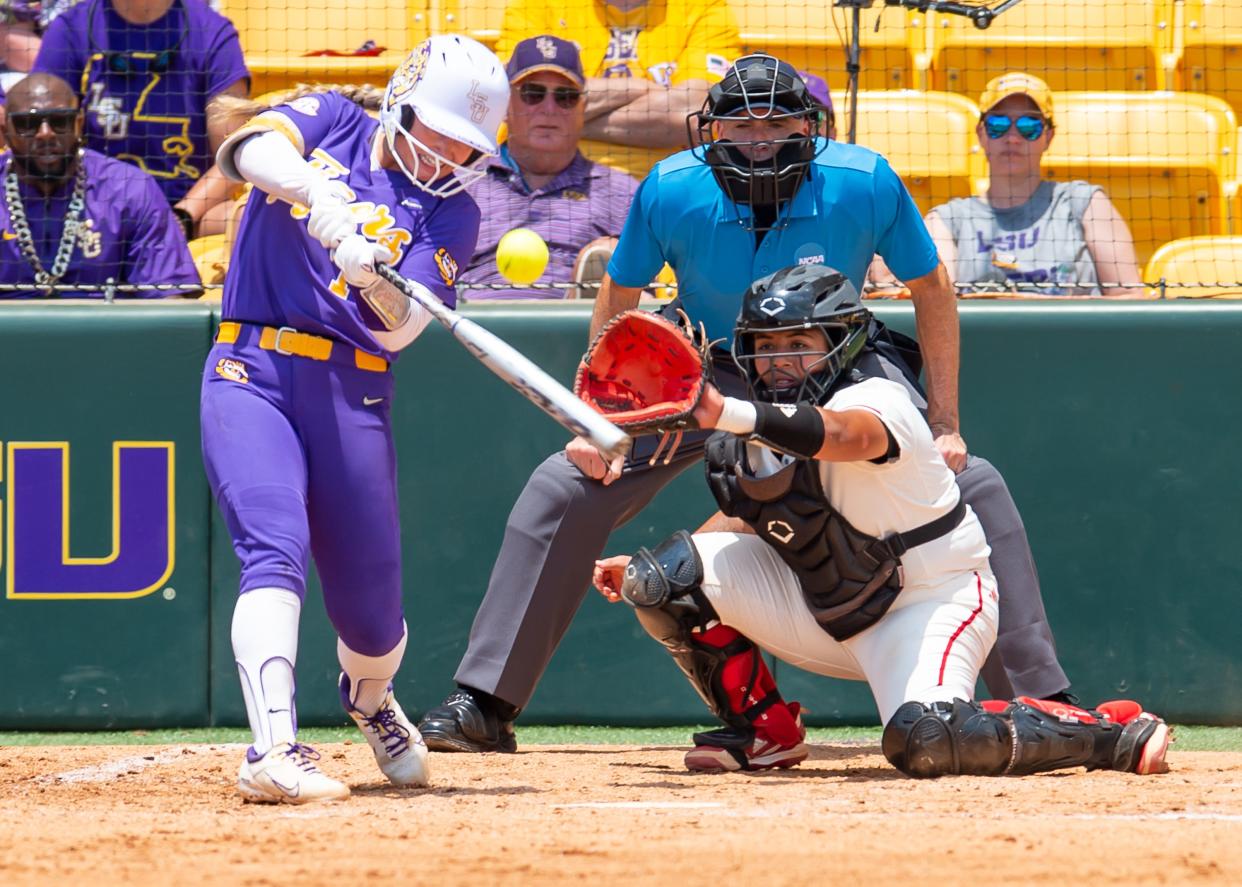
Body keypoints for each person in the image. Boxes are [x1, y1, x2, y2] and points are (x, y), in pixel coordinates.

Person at [417, 55, 1075, 754]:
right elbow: (620, 292)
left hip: (834, 362)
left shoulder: (863, 179)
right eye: (739, 122)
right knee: (565, 482)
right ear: (712, 128)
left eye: (777, 120)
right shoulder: (671, 186)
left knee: (974, 484)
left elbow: (931, 286)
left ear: (809, 126)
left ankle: (1046, 705)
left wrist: (944, 421)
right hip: (705, 367)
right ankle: (485, 702)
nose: (758, 136)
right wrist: (598, 421)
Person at [592, 263, 1169, 777]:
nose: (781, 360)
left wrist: (725, 410)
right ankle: (765, 734)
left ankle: (1104, 732)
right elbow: (758, 513)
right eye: (767, 345)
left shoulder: (878, 397)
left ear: (842, 343)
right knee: (662, 576)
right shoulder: (751, 427)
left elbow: (844, 437)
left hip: (928, 604)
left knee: (930, 740)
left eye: (800, 341)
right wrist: (654, 574)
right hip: (826, 605)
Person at [201, 35, 509, 804]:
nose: (446, 155)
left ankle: (370, 699)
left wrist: (372, 276)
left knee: (373, 618)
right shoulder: (336, 119)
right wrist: (321, 200)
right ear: (402, 107)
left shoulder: (455, 215)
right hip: (253, 366)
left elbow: (403, 329)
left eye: (464, 144)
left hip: (354, 387)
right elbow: (247, 149)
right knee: (273, 547)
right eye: (436, 131)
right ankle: (272, 748)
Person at [32, 0, 250, 239]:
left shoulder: (212, 32)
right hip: (93, 208)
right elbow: (38, 131)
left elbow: (234, 154)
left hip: (188, 210)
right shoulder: (70, 29)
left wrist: (182, 216)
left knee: (249, 216)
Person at [926, 73, 1142, 297]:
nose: (1013, 137)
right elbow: (937, 303)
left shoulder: (1085, 204)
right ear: (981, 133)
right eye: (998, 125)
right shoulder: (947, 220)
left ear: (1048, 136)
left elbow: (1131, 299)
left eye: (1029, 126)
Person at [460, 35, 639, 300]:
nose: (549, 108)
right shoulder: (461, 183)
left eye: (565, 97)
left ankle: (596, 298)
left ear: (583, 107)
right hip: (473, 322)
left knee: (609, 257)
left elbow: (651, 295)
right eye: (533, 94)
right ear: (505, 105)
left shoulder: (623, 192)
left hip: (579, 335)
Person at [0, 72, 197, 298]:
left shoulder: (129, 189)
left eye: (60, 120)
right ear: (6, 131)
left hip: (109, 330)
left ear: (79, 124)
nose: (45, 134)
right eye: (28, 123)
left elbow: (169, 302)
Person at [495, 0, 741, 178]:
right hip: (549, 180)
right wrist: (641, 89)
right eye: (563, 97)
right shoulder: (538, 7)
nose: (553, 108)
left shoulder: (703, 8)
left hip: (667, 185)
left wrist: (553, 121)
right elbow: (508, 98)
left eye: (564, 98)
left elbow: (698, 116)